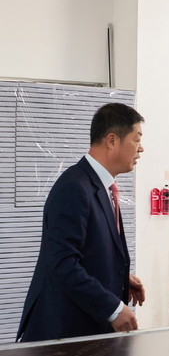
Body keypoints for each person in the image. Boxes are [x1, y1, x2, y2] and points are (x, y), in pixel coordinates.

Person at [17, 103, 146, 341]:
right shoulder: (74, 188)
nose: (141, 148)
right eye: (137, 139)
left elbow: (89, 250)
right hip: (64, 334)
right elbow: (62, 264)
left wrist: (118, 277)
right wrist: (113, 308)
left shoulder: (99, 186)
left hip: (86, 332)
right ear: (112, 140)